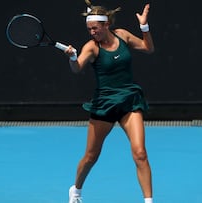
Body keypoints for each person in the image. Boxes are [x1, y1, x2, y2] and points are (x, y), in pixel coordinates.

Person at [64, 1, 155, 203]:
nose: (92, 33)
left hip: (129, 101)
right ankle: (76, 190)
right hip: (104, 105)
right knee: (91, 157)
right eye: (89, 29)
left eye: (95, 28)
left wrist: (144, 27)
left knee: (140, 153)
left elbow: (148, 48)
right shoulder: (91, 48)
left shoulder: (122, 35)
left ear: (106, 25)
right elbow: (77, 68)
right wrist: (72, 57)